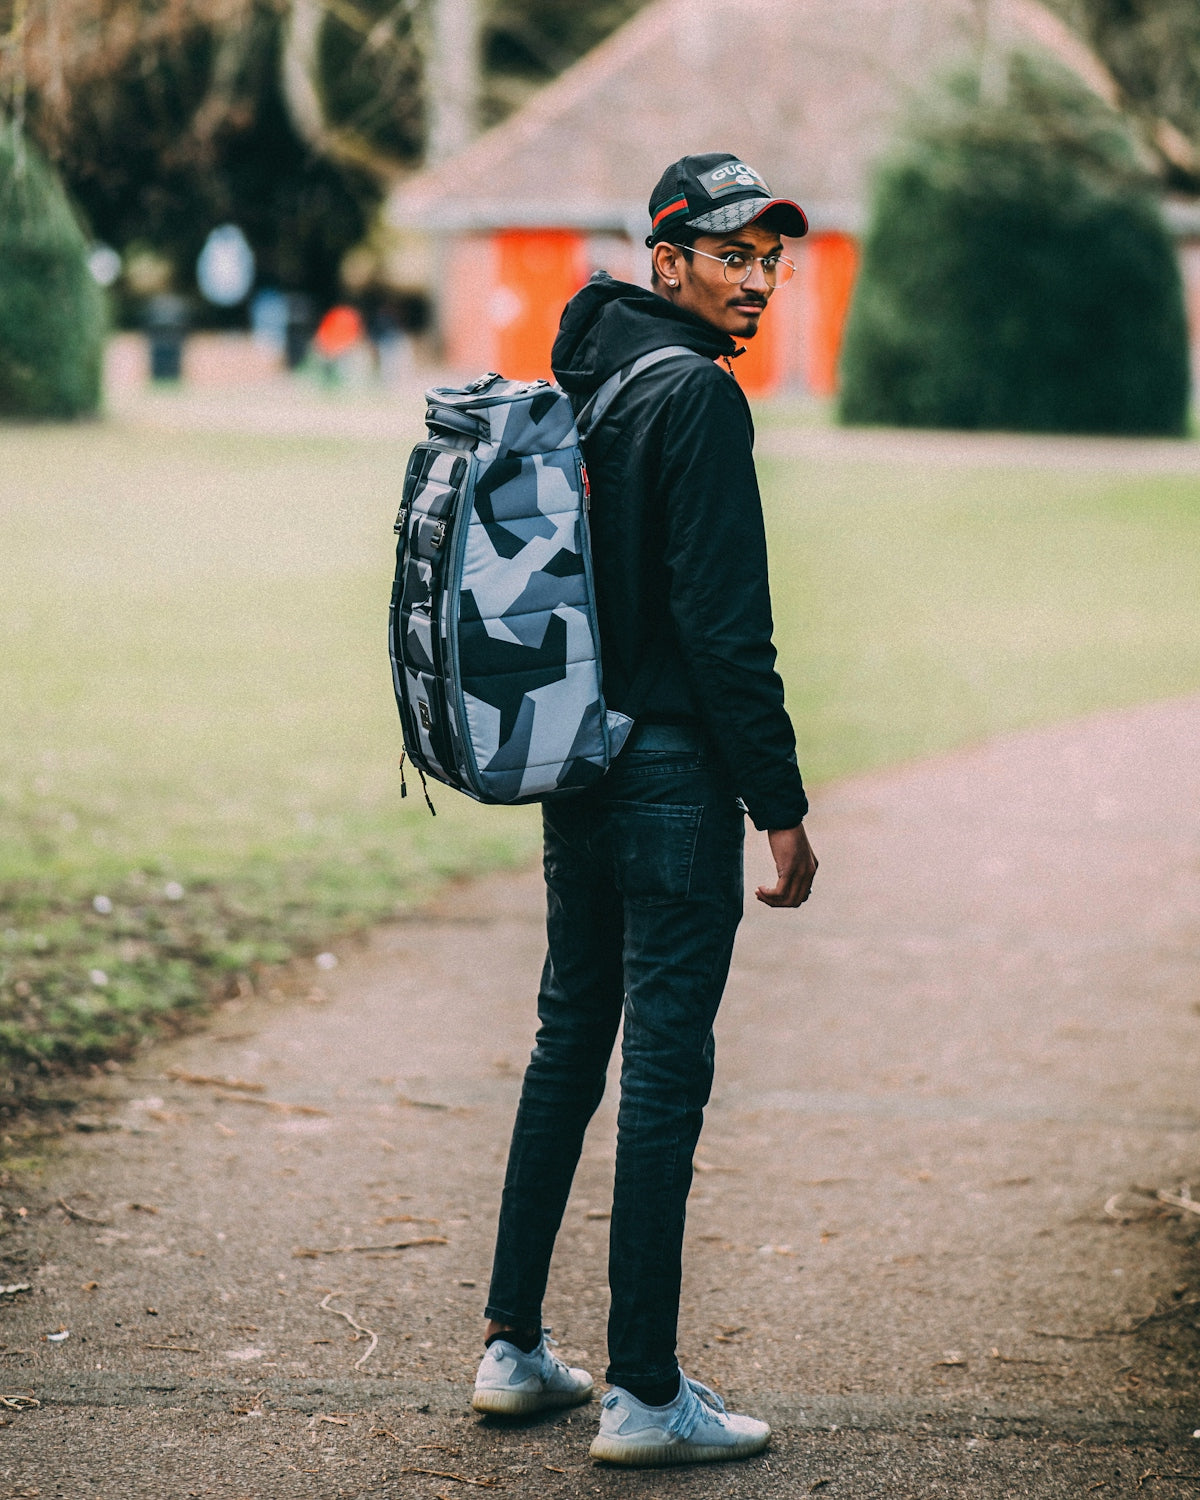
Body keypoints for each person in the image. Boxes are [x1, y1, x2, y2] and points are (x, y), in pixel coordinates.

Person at [471, 153, 818, 1467]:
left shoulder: (596, 381)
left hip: (578, 762)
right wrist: (779, 808)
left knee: (572, 1044)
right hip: (674, 776)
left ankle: (511, 1347)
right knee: (662, 1071)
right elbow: (729, 635)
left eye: (773, 258)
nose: (760, 280)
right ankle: (644, 1389)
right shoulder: (697, 404)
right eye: (736, 256)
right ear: (668, 261)